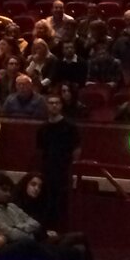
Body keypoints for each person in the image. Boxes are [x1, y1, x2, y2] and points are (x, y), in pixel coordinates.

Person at [33, 93, 80, 229]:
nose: (54, 106)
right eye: (51, 103)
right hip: (47, 170)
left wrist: (72, 169)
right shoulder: (42, 128)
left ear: (61, 106)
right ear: (47, 106)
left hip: (64, 171)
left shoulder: (70, 127)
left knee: (63, 203)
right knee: (47, 202)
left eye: (57, 103)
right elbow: (40, 150)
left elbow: (76, 150)